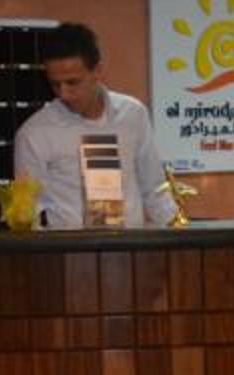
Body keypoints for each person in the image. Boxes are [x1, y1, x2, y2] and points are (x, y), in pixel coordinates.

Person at [11, 22, 178, 229]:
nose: (64, 94)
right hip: (68, 247)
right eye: (55, 84)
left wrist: (175, 235)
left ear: (97, 71)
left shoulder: (133, 114)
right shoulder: (33, 133)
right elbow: (28, 213)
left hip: (130, 244)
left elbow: (155, 189)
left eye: (72, 82)